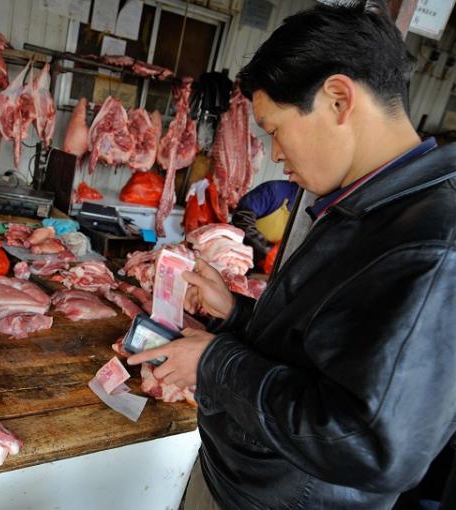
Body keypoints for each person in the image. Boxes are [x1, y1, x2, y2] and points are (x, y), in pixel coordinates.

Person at [128, 2, 456, 509]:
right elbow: (324, 351)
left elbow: (370, 444)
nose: (276, 154)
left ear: (338, 100)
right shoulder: (363, 204)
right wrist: (235, 313)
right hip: (243, 482)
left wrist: (214, 362)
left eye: (275, 129)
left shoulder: (434, 244)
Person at [230, 180, 299, 271]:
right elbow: (241, 218)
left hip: (263, 270)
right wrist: (267, 250)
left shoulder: (313, 211)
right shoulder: (274, 191)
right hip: (234, 256)